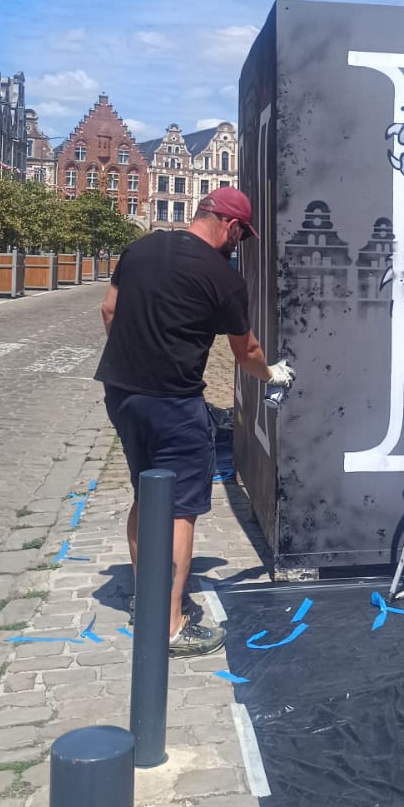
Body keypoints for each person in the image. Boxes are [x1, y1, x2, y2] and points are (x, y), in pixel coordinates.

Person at [95, 187, 294, 656]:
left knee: (146, 494)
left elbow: (109, 309)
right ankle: (168, 626)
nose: (239, 244)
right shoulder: (222, 277)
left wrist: (135, 357)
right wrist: (271, 374)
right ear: (231, 225)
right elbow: (245, 351)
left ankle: (148, 598)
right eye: (242, 235)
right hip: (174, 404)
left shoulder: (140, 249)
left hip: (121, 393)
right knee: (179, 509)